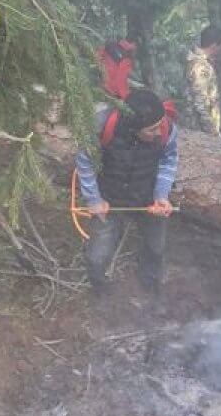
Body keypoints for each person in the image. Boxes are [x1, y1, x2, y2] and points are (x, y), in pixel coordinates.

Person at [75, 90, 178, 297]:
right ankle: (100, 292)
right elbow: (85, 161)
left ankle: (151, 288)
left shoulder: (167, 129)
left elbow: (169, 160)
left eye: (160, 126)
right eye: (152, 129)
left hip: (148, 197)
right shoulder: (102, 125)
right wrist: (94, 199)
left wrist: (161, 195)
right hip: (109, 197)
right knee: (97, 256)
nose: (159, 132)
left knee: (155, 248)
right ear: (133, 127)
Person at [185, 25, 221, 137]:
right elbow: (200, 102)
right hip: (200, 130)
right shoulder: (200, 66)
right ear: (214, 45)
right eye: (220, 46)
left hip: (200, 128)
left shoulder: (199, 62)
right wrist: (212, 131)